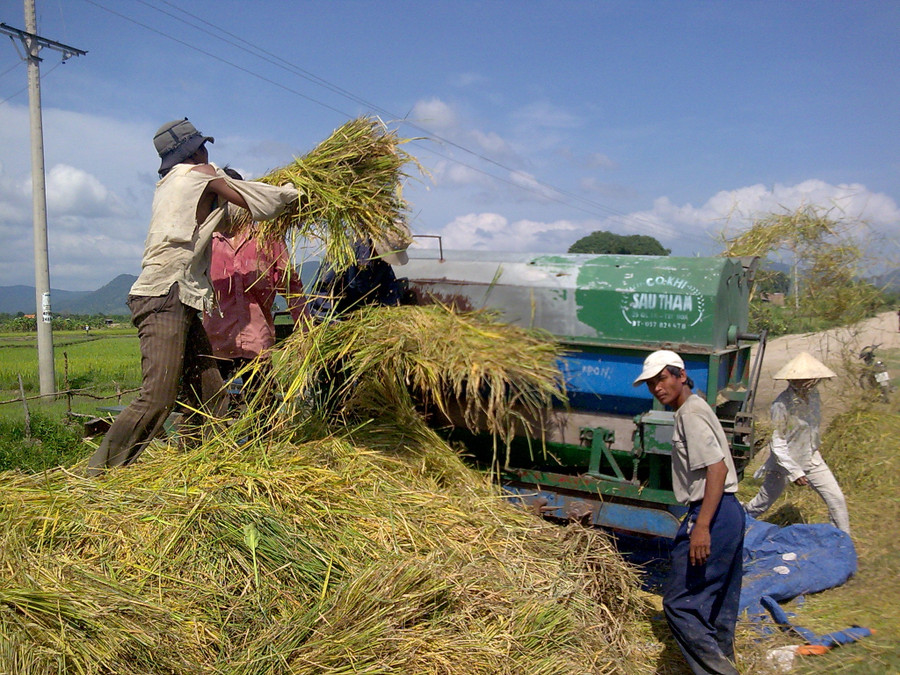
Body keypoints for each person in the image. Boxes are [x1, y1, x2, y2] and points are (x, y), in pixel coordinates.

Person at [87, 118, 299, 475]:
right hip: (165, 296)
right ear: (193, 151)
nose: (206, 153)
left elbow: (232, 219)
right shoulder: (199, 173)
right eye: (202, 147)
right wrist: (295, 193)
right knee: (157, 398)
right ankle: (98, 474)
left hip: (179, 299)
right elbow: (254, 202)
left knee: (210, 394)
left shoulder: (172, 185)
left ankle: (212, 470)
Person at [634, 350, 744, 675]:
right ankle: (725, 660)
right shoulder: (692, 408)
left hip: (713, 511)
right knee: (719, 603)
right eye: (651, 383)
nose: (657, 388)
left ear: (681, 375)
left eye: (662, 379)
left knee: (679, 603)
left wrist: (702, 526)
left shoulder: (690, 414)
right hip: (727, 510)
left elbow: (717, 469)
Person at [202, 167, 308, 401]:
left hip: (256, 343)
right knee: (211, 409)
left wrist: (305, 330)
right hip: (215, 344)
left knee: (262, 409)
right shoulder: (206, 242)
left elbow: (291, 286)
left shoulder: (267, 238)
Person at [744, 352, 850, 534]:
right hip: (784, 465)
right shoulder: (781, 404)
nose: (811, 383)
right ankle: (737, 523)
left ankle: (842, 540)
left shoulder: (815, 397)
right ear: (794, 380)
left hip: (811, 458)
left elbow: (812, 431)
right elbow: (777, 442)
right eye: (806, 379)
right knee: (761, 504)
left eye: (813, 379)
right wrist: (795, 471)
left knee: (836, 500)